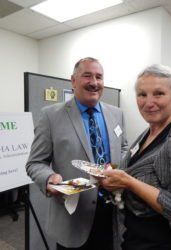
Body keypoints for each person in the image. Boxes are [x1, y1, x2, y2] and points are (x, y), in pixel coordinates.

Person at [100, 64, 171, 250]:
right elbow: (135, 173)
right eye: (142, 95)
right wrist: (113, 176)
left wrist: (128, 182)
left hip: (167, 242)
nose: (148, 102)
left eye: (158, 93)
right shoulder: (146, 134)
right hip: (135, 237)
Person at [26, 57, 128, 249]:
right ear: (73, 81)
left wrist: (117, 168)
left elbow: (123, 148)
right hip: (72, 216)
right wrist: (48, 179)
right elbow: (35, 163)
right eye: (87, 76)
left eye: (99, 77)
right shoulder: (51, 116)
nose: (94, 82)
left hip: (112, 211)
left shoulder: (117, 114)